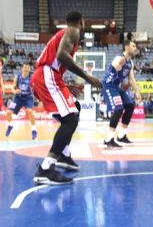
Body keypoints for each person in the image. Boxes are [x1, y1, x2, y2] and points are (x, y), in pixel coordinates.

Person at [31, 11, 101, 185]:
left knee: (75, 108)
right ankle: (46, 169)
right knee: (70, 121)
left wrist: (64, 85)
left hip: (49, 76)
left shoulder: (64, 33)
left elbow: (57, 59)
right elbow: (61, 55)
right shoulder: (73, 31)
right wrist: (86, 76)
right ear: (81, 22)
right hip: (47, 75)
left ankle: (64, 154)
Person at [101, 40, 141, 148]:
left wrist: (137, 91)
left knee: (130, 105)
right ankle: (108, 139)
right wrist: (119, 64)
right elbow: (116, 65)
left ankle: (122, 136)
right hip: (108, 85)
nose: (135, 47)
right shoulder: (119, 57)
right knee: (118, 108)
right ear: (126, 47)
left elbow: (131, 79)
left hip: (117, 87)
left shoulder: (130, 63)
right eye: (133, 45)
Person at [5, 63, 37, 140]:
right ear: (22, 68)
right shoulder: (17, 77)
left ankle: (34, 130)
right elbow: (12, 88)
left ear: (29, 69)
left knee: (29, 111)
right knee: (8, 113)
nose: (26, 69)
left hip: (28, 98)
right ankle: (10, 125)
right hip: (18, 98)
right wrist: (15, 91)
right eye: (25, 67)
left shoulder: (32, 77)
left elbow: (36, 87)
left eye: (28, 68)